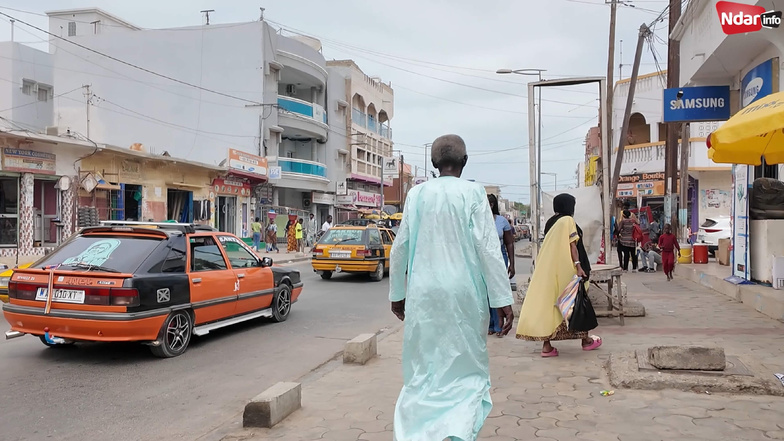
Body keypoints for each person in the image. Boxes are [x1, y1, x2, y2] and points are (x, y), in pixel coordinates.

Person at [388, 134, 514, 441]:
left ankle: (417, 433)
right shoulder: (473, 193)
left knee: (423, 371)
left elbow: (400, 247)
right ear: (465, 161)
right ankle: (457, 432)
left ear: (434, 163)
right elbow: (488, 249)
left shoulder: (417, 195)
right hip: (464, 294)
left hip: (423, 294)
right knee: (466, 371)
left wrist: (397, 294)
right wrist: (501, 299)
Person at [516, 193, 602, 357]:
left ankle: (547, 346)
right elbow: (572, 246)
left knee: (551, 305)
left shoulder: (550, 222)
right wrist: (578, 266)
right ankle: (586, 341)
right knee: (576, 303)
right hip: (568, 270)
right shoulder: (568, 220)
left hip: (550, 270)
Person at [487, 193, 515, 338]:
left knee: (498, 289)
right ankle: (490, 324)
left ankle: (499, 326)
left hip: (499, 258)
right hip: (484, 258)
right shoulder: (478, 220)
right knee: (486, 292)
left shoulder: (501, 221)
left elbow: (509, 243)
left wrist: (512, 264)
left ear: (491, 205)